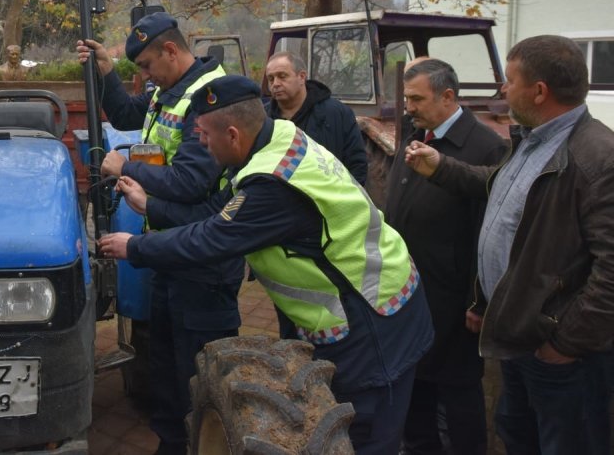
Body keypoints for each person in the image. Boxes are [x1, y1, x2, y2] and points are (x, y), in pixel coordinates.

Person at [100, 75, 433, 455]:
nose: (201, 146)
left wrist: (136, 246)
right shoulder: (279, 138)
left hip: (373, 320)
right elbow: (221, 212)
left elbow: (213, 237)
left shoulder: (273, 183)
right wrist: (151, 206)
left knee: (364, 438)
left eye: (205, 137)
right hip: (358, 308)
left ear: (233, 134)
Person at [405, 35, 614, 454]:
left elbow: (610, 273)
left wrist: (564, 344)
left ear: (539, 91)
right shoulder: (532, 140)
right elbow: (500, 192)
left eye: (511, 80)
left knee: (564, 441)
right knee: (517, 432)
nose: (503, 89)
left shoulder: (597, 158)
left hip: (557, 351)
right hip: (518, 336)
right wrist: (442, 167)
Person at [76, 12, 244, 455]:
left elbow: (191, 181)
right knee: (168, 364)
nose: (144, 76)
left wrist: (124, 167)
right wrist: (108, 74)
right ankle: (171, 442)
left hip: (202, 259)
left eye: (147, 65)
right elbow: (130, 113)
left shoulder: (209, 98)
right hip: (171, 249)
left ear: (171, 50)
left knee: (199, 366)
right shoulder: (169, 89)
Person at [385, 59, 507, 455]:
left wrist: (478, 300)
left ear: (448, 96)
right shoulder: (418, 135)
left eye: (417, 98)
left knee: (457, 392)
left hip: (454, 300)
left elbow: (485, 233)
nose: (409, 106)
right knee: (415, 381)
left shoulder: (485, 148)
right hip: (411, 292)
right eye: (407, 98)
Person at [264, 51, 368, 185]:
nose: (275, 84)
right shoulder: (262, 119)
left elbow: (356, 164)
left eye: (282, 76)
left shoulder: (337, 114)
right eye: (271, 79)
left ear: (301, 77)